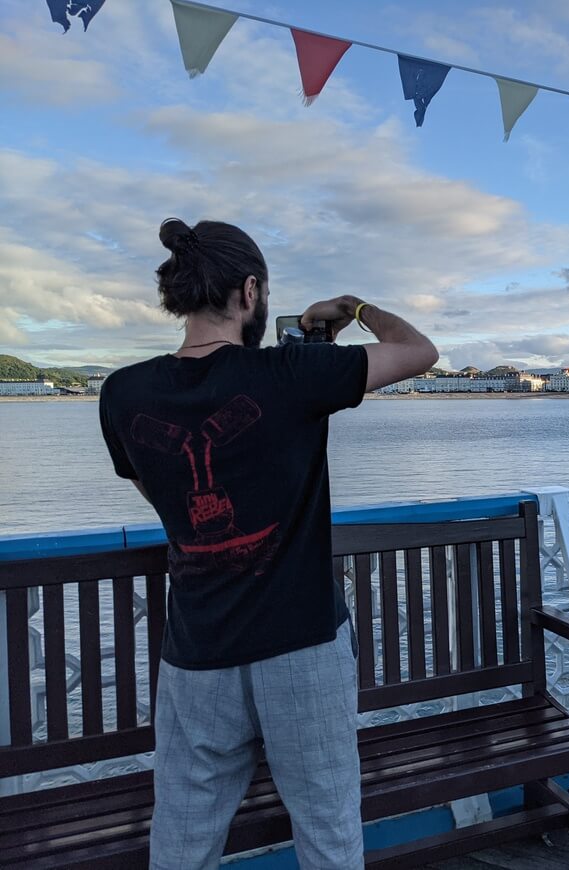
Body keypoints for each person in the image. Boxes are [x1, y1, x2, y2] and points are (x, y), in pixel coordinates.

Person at [98, 218, 438, 869]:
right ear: (250, 293)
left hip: (198, 650)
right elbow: (418, 349)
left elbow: (167, 505)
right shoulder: (292, 372)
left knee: (185, 833)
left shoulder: (122, 393)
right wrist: (352, 308)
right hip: (301, 644)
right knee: (327, 828)